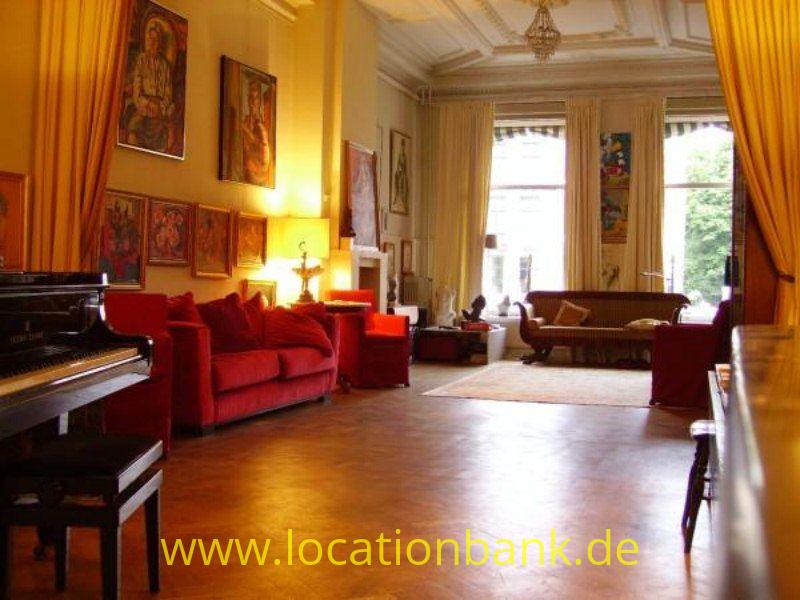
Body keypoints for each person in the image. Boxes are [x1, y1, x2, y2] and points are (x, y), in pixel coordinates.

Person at [127, 20, 174, 152]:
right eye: (150, 39)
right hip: (144, 106)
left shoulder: (165, 66)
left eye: (156, 40)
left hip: (159, 109)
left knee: (166, 138)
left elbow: (168, 94)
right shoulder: (141, 60)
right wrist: (147, 104)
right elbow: (137, 91)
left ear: (160, 43)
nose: (153, 43)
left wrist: (160, 107)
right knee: (133, 133)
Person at [242, 78, 270, 185]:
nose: (253, 102)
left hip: (260, 179)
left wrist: (246, 131)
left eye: (256, 98)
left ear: (259, 102)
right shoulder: (245, 122)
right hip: (246, 176)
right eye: (251, 97)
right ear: (248, 100)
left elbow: (264, 155)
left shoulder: (262, 126)